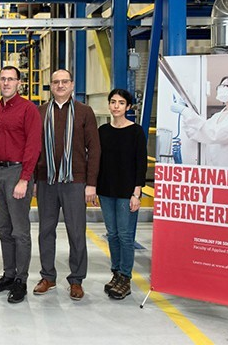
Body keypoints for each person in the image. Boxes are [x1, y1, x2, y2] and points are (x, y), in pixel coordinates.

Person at [33, 69, 100, 301]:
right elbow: (34, 148)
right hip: (47, 181)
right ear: (50, 86)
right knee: (45, 231)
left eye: (64, 82)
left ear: (72, 85)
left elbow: (95, 149)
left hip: (75, 182)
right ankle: (48, 277)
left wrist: (91, 183)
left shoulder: (84, 112)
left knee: (76, 232)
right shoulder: (40, 112)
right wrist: (34, 179)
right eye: (56, 82)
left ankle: (77, 280)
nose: (60, 85)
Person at [0, 66, 42, 304]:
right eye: (3, 79)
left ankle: (21, 280)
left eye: (11, 79)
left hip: (17, 173)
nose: (6, 83)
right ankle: (8, 275)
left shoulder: (28, 109)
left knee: (20, 231)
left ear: (19, 83)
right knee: (3, 229)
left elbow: (33, 146)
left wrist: (25, 179)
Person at [97, 89, 147, 300]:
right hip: (106, 190)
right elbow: (98, 160)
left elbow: (141, 164)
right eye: (113, 102)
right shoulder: (102, 131)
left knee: (126, 236)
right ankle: (116, 273)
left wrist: (137, 192)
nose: (116, 106)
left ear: (128, 107)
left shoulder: (136, 132)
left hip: (127, 192)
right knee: (113, 234)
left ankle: (125, 277)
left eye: (121, 102)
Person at [171, 74, 228, 169]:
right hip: (217, 172)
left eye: (226, 86)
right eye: (220, 86)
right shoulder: (217, 116)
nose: (221, 89)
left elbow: (216, 135)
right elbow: (197, 134)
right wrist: (184, 115)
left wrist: (186, 112)